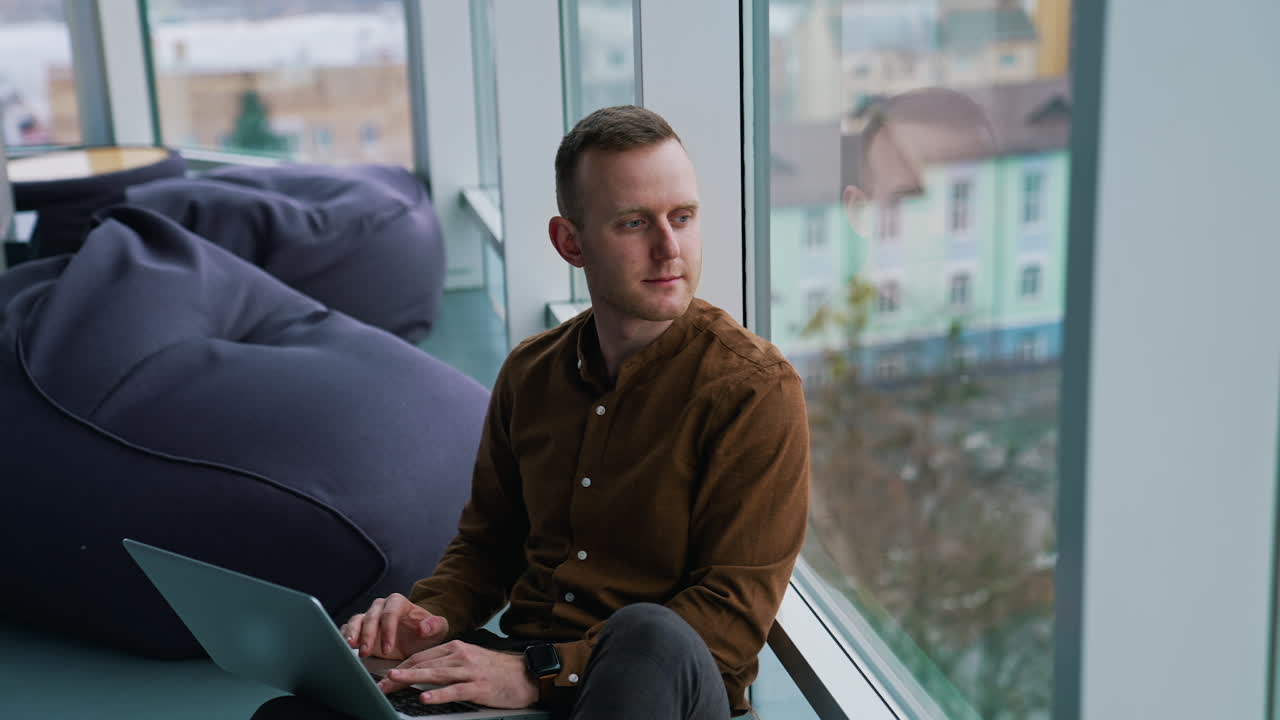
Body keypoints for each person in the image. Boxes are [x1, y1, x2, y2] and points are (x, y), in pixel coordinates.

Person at [335, 105, 809, 720]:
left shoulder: (753, 389)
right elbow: (488, 545)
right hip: (526, 670)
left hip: (656, 694)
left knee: (647, 631)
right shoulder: (531, 372)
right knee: (307, 708)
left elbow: (731, 614)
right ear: (570, 242)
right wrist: (426, 619)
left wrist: (540, 672)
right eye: (634, 223)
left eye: (683, 217)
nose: (669, 248)